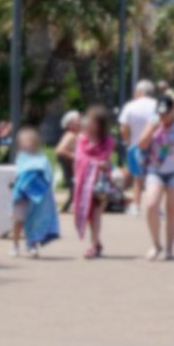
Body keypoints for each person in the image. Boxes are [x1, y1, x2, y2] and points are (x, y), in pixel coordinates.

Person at [138, 95, 174, 261]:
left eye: (166, 113)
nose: (163, 117)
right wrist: (151, 129)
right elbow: (141, 144)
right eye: (160, 113)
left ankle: (170, 249)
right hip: (155, 169)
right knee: (151, 205)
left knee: (171, 210)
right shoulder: (153, 121)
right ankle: (156, 245)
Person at [10, 128, 60, 258]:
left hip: (37, 197)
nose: (27, 144)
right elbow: (19, 174)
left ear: (35, 142)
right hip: (22, 195)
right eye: (24, 141)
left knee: (35, 220)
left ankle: (31, 244)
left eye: (30, 141)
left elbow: (48, 175)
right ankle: (15, 244)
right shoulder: (20, 158)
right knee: (19, 219)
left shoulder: (42, 158)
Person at [73, 106, 115, 259]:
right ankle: (96, 243)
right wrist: (96, 163)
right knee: (89, 215)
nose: (88, 123)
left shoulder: (108, 141)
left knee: (96, 213)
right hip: (84, 184)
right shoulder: (81, 139)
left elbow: (106, 158)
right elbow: (79, 158)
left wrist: (99, 164)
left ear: (100, 124)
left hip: (100, 184)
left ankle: (93, 246)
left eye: (92, 121)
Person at [119, 80, 158, 215]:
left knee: (138, 178)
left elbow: (123, 128)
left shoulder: (130, 106)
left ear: (140, 92)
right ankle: (156, 206)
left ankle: (136, 205)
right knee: (155, 176)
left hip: (136, 146)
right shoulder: (156, 105)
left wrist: (129, 141)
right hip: (155, 145)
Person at [55, 110, 82, 213]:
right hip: (70, 166)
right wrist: (74, 156)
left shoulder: (74, 135)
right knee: (74, 186)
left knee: (74, 188)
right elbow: (59, 150)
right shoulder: (70, 135)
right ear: (70, 125)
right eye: (78, 120)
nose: (81, 122)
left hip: (72, 166)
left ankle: (67, 206)